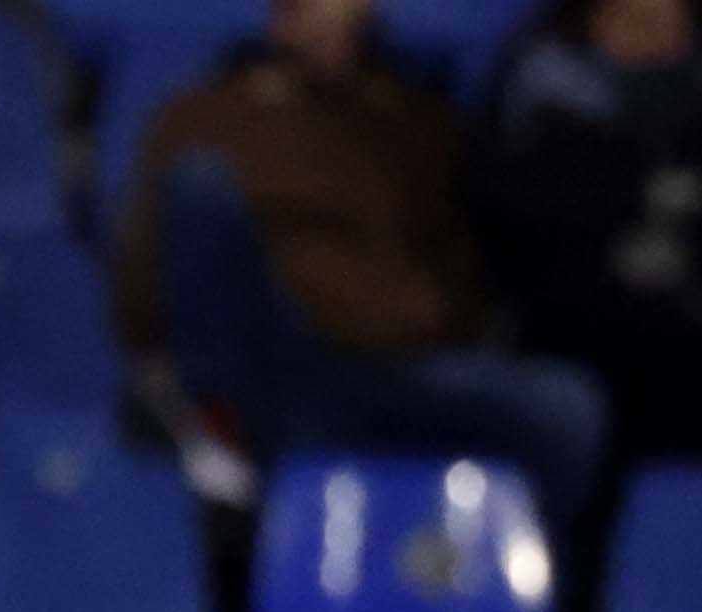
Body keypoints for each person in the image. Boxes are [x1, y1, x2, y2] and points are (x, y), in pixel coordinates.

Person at [114, 0, 612, 526]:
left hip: (395, 370)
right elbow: (149, 281)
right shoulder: (204, 116)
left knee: (567, 409)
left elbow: (465, 273)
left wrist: (421, 319)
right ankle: (217, 434)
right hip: (273, 372)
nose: (326, 17)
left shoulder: (413, 120)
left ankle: (532, 588)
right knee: (201, 189)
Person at [479, 0, 702, 457]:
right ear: (595, 22)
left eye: (672, 25)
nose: (657, 41)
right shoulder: (547, 100)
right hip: (574, 332)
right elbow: (533, 256)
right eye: (637, 23)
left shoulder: (689, 102)